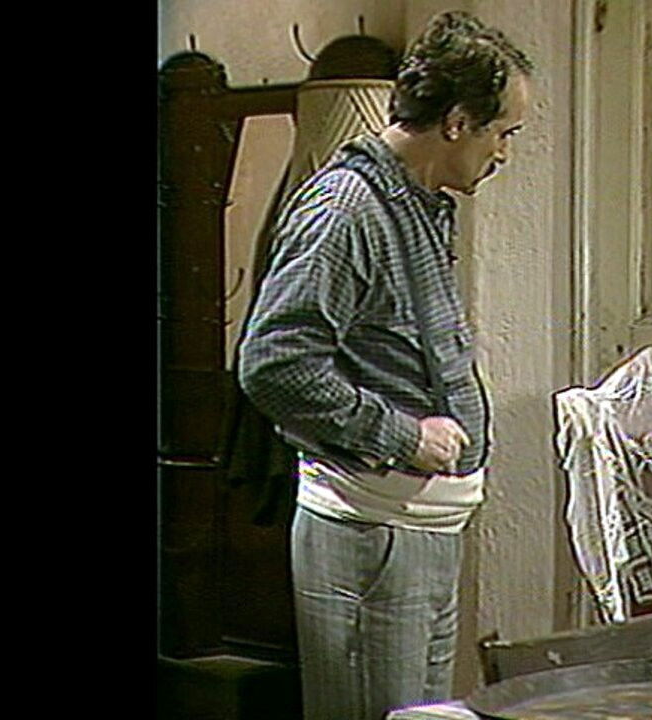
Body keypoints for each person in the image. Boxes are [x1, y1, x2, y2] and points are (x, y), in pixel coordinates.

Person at [237, 11, 533, 718]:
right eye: (503, 133)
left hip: (418, 534)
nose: (504, 152)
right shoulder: (348, 211)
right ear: (457, 123)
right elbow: (273, 362)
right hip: (373, 538)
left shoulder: (418, 203)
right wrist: (404, 436)